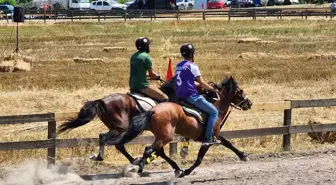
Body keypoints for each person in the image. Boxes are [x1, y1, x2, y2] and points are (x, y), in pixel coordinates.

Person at [175, 43, 219, 146]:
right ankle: (208, 138)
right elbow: (202, 83)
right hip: (191, 96)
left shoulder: (179, 66)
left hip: (179, 97)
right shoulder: (193, 66)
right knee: (214, 112)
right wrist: (213, 89)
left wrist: (198, 84)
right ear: (192, 54)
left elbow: (187, 81)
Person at [129, 37, 169, 102]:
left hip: (132, 86)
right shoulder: (146, 57)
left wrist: (146, 75)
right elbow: (152, 74)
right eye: (149, 45)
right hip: (143, 86)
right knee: (165, 98)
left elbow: (138, 72)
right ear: (146, 46)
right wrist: (157, 77)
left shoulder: (133, 56)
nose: (150, 47)